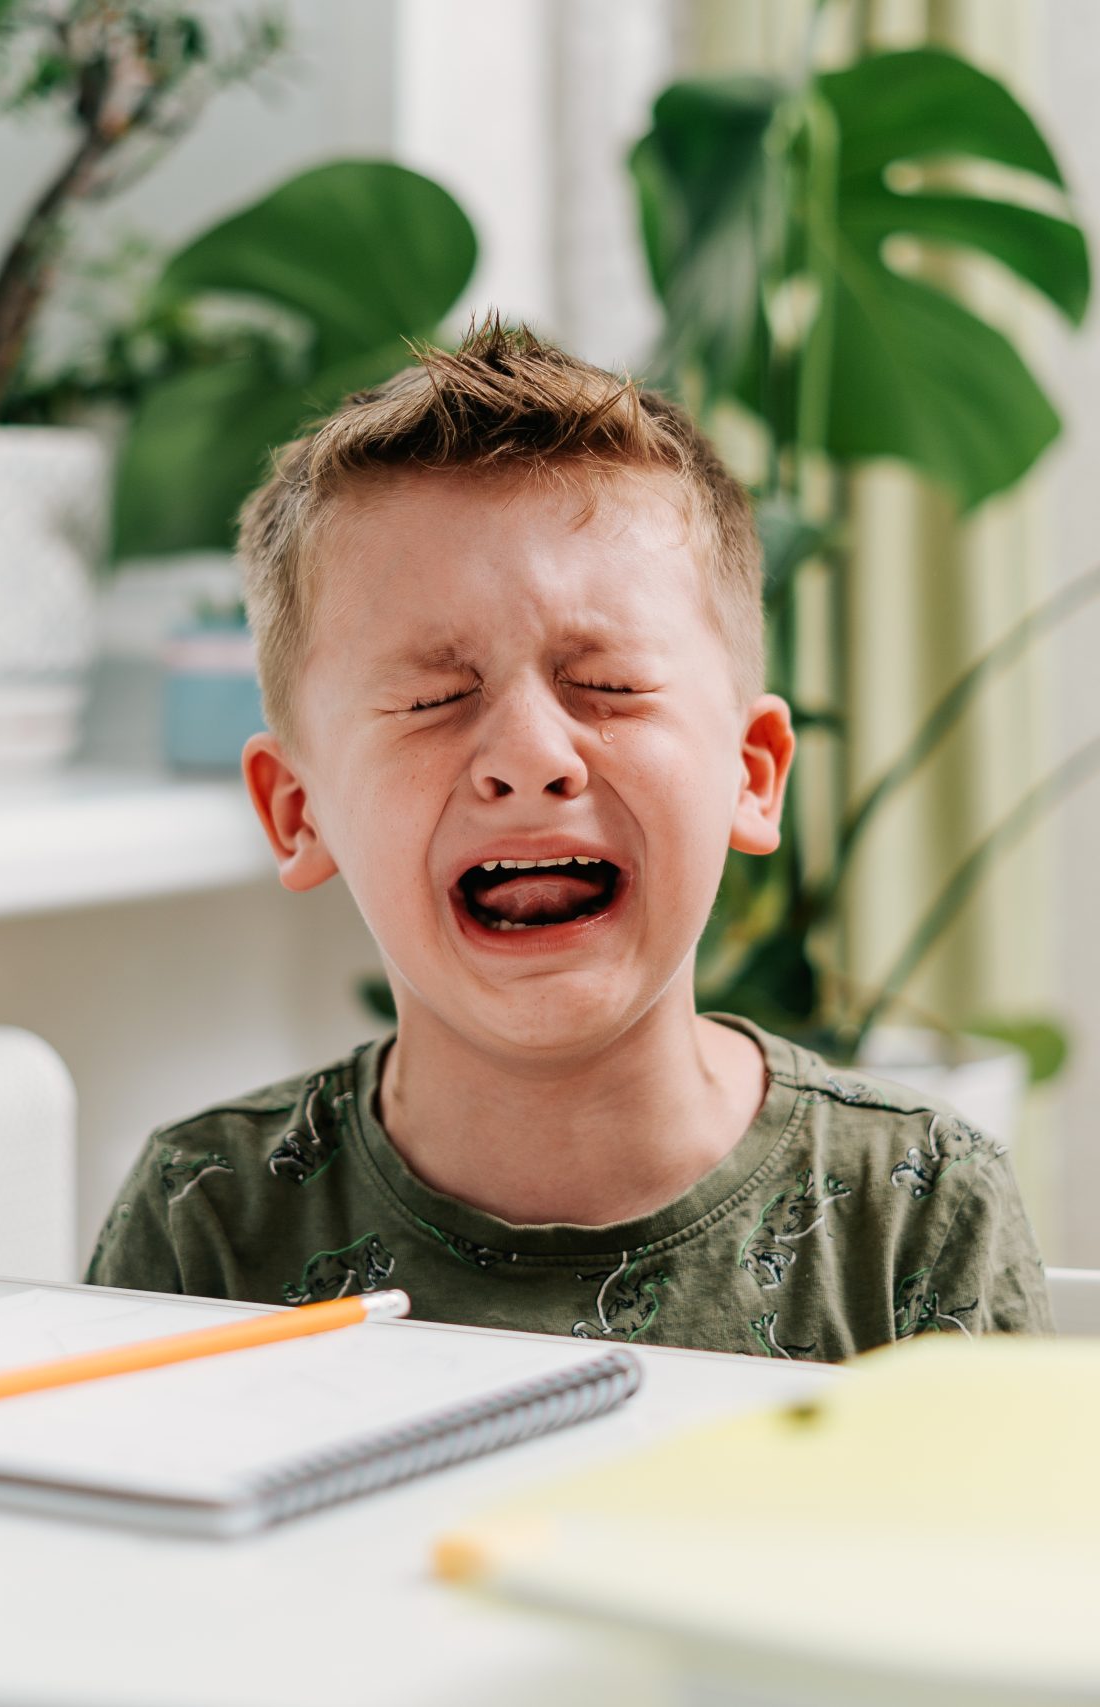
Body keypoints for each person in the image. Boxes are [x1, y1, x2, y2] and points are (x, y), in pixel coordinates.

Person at [86, 320, 1050, 1360]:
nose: (530, 755)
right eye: (431, 698)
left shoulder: (916, 1210)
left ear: (753, 774)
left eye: (610, 689)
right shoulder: (206, 1221)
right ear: (294, 811)